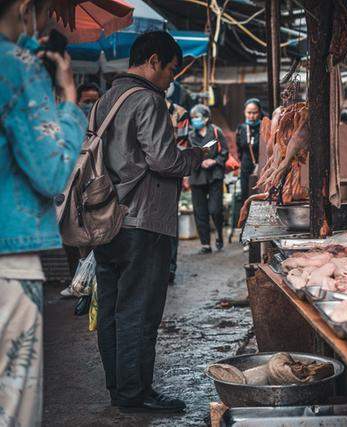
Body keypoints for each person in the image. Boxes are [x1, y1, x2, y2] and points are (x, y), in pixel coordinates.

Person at [92, 31, 205, 413]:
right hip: (143, 221)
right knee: (139, 311)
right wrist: (196, 156)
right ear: (153, 61)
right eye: (171, 69)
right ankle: (135, 393)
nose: (172, 79)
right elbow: (165, 161)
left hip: (106, 221)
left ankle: (118, 389)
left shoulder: (105, 100)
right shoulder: (149, 100)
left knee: (112, 308)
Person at [0, 0, 87, 424]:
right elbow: (51, 174)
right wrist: (69, 102)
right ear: (24, 8)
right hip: (8, 260)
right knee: (12, 406)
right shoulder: (15, 65)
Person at [189, 104, 229, 253]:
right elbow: (187, 153)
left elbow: (225, 151)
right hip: (197, 176)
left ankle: (219, 234)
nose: (194, 120)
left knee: (215, 209)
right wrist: (199, 162)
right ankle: (205, 244)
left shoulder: (216, 132)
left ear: (205, 118)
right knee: (200, 211)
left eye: (197, 117)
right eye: (192, 118)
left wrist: (215, 161)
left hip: (214, 175)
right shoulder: (190, 135)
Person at [166, 91, 190, 285]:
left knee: (169, 222)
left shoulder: (179, 113)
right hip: (141, 178)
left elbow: (181, 145)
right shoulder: (137, 107)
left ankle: (169, 269)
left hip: (170, 176)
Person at [236, 98, 262, 205]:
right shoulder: (241, 128)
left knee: (259, 195)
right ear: (244, 112)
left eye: (254, 113)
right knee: (245, 196)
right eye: (249, 113)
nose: (251, 116)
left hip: (262, 167)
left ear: (259, 112)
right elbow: (239, 148)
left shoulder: (264, 126)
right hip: (246, 167)